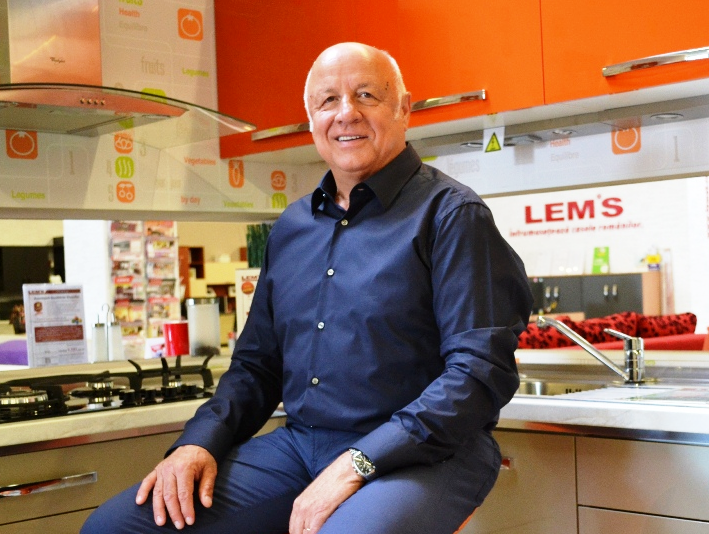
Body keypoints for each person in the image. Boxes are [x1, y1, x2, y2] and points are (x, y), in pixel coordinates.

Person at [82, 42, 533, 534]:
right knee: (113, 528)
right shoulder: (293, 227)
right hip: (300, 448)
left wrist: (360, 460)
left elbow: (478, 373)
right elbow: (256, 365)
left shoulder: (453, 216)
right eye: (328, 100)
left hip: (430, 452)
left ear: (404, 108)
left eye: (366, 95)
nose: (346, 113)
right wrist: (199, 441)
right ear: (312, 118)